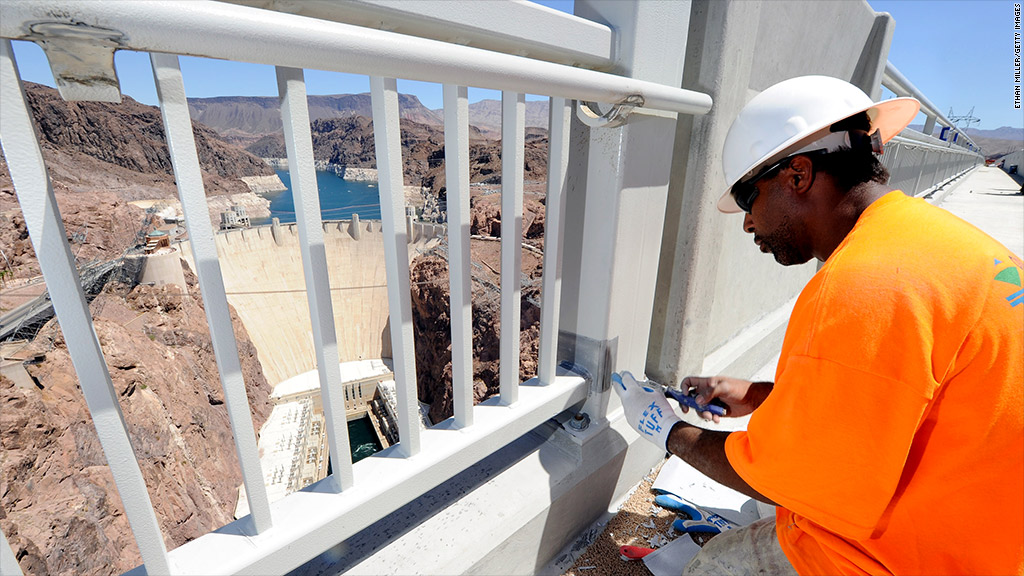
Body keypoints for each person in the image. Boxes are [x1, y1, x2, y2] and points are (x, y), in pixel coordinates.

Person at [613, 75, 1023, 575]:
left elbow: (794, 479)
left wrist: (668, 431)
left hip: (933, 555)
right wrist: (765, 395)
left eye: (748, 198)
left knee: (717, 564)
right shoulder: (931, 241)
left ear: (798, 176)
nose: (746, 223)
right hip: (990, 531)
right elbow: (898, 395)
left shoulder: (862, 287)